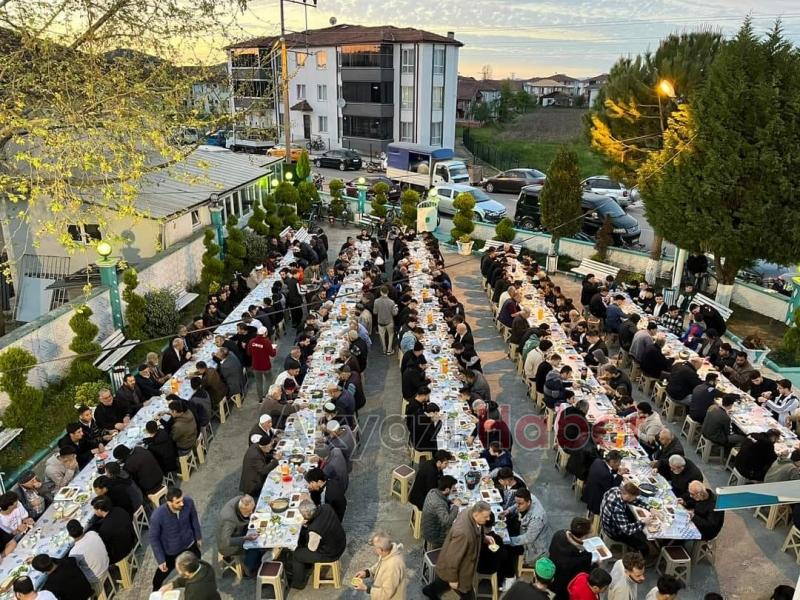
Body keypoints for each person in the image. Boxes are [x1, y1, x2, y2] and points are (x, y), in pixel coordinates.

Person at [422, 501, 493, 599]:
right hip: (461, 570)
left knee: (442, 582)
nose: (488, 519)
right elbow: (452, 558)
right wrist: (453, 579)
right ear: (476, 514)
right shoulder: (463, 533)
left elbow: (477, 528)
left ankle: (429, 591)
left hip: (458, 566)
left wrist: (484, 537)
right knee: (467, 594)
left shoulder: (470, 512)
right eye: (485, 517)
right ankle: (430, 591)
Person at [149, 487, 203, 590]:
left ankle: (197, 583)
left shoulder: (189, 502)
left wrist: (198, 537)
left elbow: (194, 519)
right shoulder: (157, 516)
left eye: (182, 500)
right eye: (178, 502)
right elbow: (153, 538)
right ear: (169, 503)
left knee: (197, 562)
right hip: (171, 550)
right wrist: (160, 560)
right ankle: (155, 589)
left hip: (189, 542)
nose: (182, 504)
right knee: (161, 574)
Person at [289, 501, 346, 589]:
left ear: (307, 515)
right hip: (340, 541)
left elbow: (311, 548)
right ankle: (306, 566)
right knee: (304, 536)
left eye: (301, 514)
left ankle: (298, 584)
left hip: (331, 553)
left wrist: (307, 528)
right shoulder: (326, 507)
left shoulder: (315, 529)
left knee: (297, 554)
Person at [600, 482, 653, 559]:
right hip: (614, 532)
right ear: (628, 495)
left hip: (606, 523)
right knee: (644, 546)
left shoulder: (615, 490)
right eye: (634, 497)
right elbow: (627, 530)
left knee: (632, 515)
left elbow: (634, 501)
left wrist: (649, 508)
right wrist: (643, 522)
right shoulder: (617, 508)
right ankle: (639, 561)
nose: (635, 499)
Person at [505, 488, 553, 566]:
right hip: (525, 532)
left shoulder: (537, 518)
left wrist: (508, 540)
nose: (517, 506)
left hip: (535, 547)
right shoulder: (528, 496)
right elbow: (517, 503)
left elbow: (528, 538)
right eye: (516, 503)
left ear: (528, 502)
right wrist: (508, 511)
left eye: (520, 504)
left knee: (506, 550)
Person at [548, 517, 593, 600]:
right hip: (565, 589)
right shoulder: (584, 557)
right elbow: (583, 576)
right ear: (585, 535)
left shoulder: (559, 534)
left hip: (551, 579)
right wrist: (596, 564)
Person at [217, 495, 262, 577]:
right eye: (249, 512)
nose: (251, 513)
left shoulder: (240, 500)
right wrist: (246, 538)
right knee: (255, 545)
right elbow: (225, 541)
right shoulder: (229, 519)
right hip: (227, 545)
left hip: (238, 530)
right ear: (242, 510)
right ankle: (248, 569)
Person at [352, 534, 407, 599]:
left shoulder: (392, 568)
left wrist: (366, 588)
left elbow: (386, 594)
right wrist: (366, 572)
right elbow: (379, 565)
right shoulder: (388, 552)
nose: (373, 549)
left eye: (375, 547)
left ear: (381, 550)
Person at [89, 496, 137, 564]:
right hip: (131, 539)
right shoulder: (119, 509)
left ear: (99, 510)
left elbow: (105, 547)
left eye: (94, 509)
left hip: (121, 552)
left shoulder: (105, 529)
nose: (94, 511)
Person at [582, 450, 627, 515]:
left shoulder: (597, 461)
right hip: (596, 501)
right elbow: (612, 489)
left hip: (589, 492)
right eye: (618, 462)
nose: (619, 464)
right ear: (612, 462)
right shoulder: (605, 475)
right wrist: (619, 475)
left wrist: (617, 470)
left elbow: (608, 470)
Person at [421, 475, 460, 549]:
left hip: (428, 527)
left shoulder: (433, 491)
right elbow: (447, 521)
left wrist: (450, 502)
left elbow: (442, 500)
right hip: (435, 535)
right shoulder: (438, 503)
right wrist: (456, 506)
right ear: (447, 489)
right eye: (453, 488)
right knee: (459, 535)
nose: (454, 489)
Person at [66, 519, 109, 585]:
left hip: (95, 578)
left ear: (70, 535)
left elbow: (75, 571)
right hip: (106, 564)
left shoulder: (74, 553)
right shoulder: (92, 533)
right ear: (82, 528)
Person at [239, 434, 278, 498]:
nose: (271, 448)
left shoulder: (257, 446)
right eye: (270, 446)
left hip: (254, 478)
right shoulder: (255, 456)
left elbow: (263, 455)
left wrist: (272, 456)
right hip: (253, 485)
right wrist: (276, 461)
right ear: (265, 446)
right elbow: (264, 470)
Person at [247, 326, 277, 401]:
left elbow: (249, 353)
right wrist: (274, 349)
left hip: (255, 366)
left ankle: (260, 399)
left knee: (258, 382)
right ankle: (266, 396)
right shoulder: (267, 342)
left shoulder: (251, 341)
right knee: (269, 380)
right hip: (265, 366)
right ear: (265, 333)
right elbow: (272, 354)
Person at [374, 285, 399, 355]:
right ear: (387, 292)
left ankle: (384, 349)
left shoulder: (376, 301)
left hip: (380, 322)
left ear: (381, 292)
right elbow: (394, 313)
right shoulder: (392, 302)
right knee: (391, 335)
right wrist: (396, 309)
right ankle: (389, 350)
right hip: (389, 322)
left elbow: (375, 312)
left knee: (382, 336)